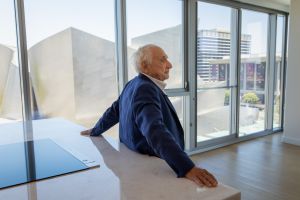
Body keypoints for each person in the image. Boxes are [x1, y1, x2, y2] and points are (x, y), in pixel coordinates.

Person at [81, 44, 218, 187]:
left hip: (134, 163)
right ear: (144, 66)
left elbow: (115, 110)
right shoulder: (146, 88)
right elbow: (154, 130)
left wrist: (96, 129)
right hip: (153, 167)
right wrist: (187, 167)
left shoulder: (133, 84)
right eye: (163, 60)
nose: (170, 65)